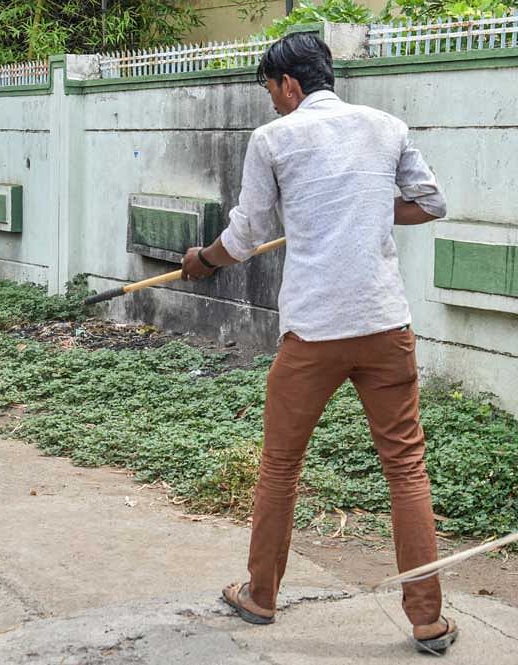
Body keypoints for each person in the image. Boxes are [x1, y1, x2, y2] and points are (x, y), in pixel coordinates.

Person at [180, 32, 457, 653]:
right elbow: (430, 203)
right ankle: (428, 621)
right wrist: (364, 211)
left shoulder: (274, 139)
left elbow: (245, 235)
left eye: (271, 91)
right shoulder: (386, 126)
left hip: (313, 333)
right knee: (406, 469)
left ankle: (260, 596)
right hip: (386, 327)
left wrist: (202, 261)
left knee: (280, 467)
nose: (273, 103)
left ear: (290, 85)